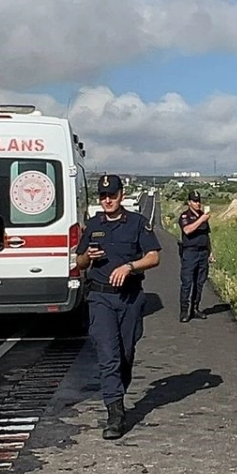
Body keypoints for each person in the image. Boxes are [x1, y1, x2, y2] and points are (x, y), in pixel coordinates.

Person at [73, 174, 160, 439]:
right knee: (108, 355)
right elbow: (79, 262)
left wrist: (129, 266)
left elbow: (154, 256)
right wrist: (89, 256)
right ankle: (115, 414)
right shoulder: (93, 225)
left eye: (112, 195)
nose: (107, 200)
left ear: (122, 195)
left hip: (129, 298)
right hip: (100, 298)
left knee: (125, 355)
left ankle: (117, 393)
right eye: (103, 196)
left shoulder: (136, 224)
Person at [176, 190, 212, 322]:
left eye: (199, 201)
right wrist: (201, 220)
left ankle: (195, 308)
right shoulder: (185, 216)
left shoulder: (203, 215)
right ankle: (184, 311)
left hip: (203, 252)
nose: (198, 204)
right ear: (189, 202)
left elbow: (206, 236)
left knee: (200, 282)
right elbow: (187, 230)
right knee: (187, 282)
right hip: (190, 252)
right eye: (195, 201)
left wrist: (210, 252)